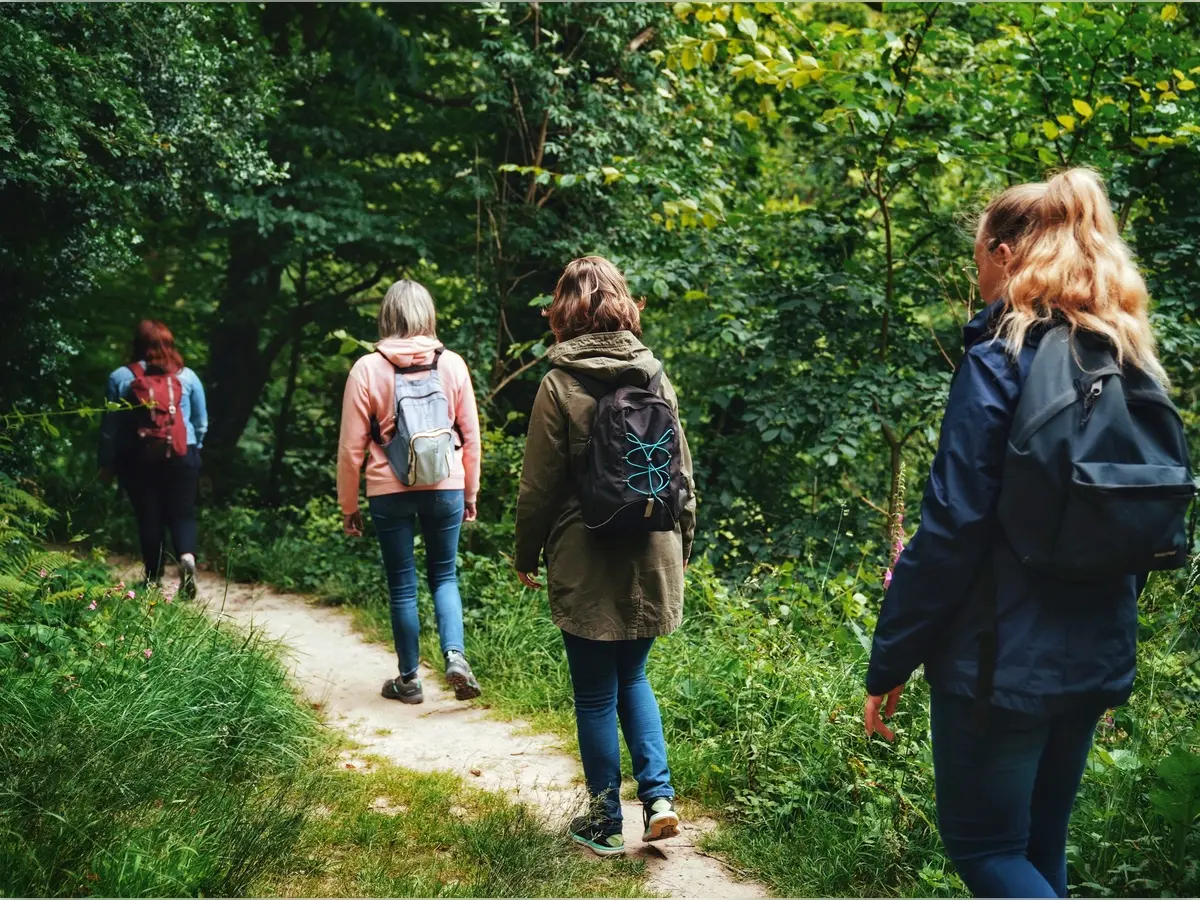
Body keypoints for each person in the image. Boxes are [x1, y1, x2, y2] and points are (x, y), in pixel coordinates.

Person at [863, 169, 1171, 898]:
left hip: (998, 665)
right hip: (1094, 651)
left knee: (986, 850)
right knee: (1037, 845)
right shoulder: (1125, 356)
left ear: (1004, 255)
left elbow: (950, 529)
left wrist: (891, 659)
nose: (977, 276)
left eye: (978, 258)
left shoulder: (998, 361)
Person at [514, 256, 697, 857]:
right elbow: (682, 473)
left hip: (585, 552)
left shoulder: (558, 383)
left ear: (562, 313)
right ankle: (660, 800)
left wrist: (526, 552)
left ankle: (604, 821)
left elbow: (539, 486)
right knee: (634, 676)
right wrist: (683, 543)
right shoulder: (654, 374)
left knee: (595, 694)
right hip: (653, 545)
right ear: (624, 304)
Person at [338, 279, 482, 704]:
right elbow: (470, 436)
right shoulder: (452, 364)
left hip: (388, 490)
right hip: (446, 485)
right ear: (428, 314)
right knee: (444, 575)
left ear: (386, 316)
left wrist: (349, 505)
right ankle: (455, 657)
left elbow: (350, 449)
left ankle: (408, 680)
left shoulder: (367, 368)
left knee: (402, 584)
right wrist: (470, 492)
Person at [99, 320, 207, 597]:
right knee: (182, 513)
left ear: (136, 344)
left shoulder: (121, 377)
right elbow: (201, 422)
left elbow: (111, 426)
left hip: (139, 456)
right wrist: (194, 448)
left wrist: (107, 462)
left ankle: (153, 577)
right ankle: (186, 556)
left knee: (149, 515)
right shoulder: (187, 377)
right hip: (183, 453)